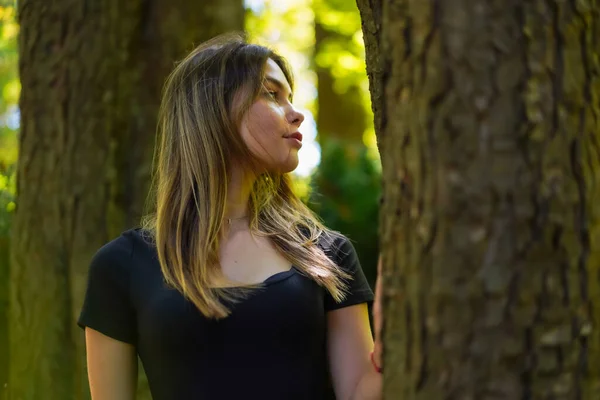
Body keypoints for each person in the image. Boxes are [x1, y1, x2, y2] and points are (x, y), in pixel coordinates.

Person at [77, 32, 383, 400]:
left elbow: (358, 393)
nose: (296, 113)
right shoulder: (121, 266)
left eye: (290, 97)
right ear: (213, 110)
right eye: (271, 94)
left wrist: (397, 339)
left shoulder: (328, 254)